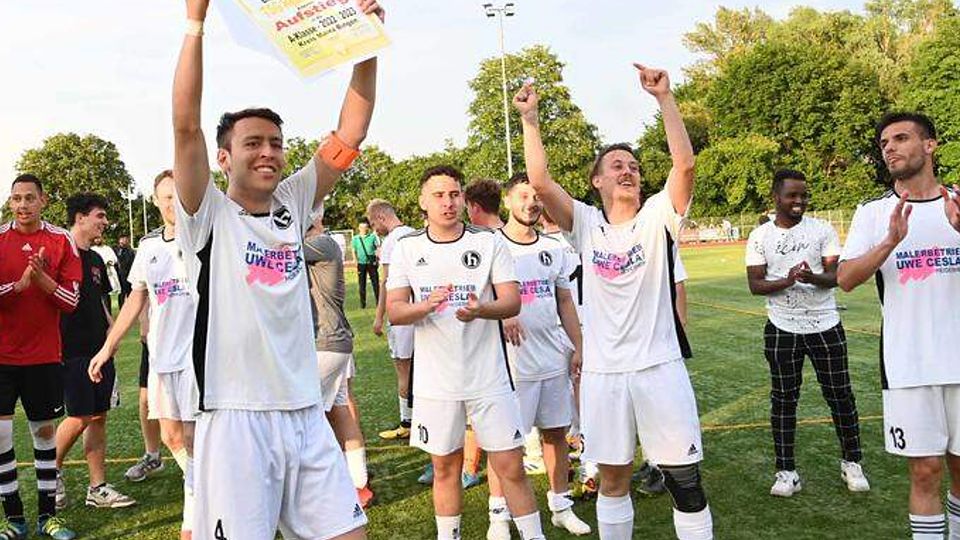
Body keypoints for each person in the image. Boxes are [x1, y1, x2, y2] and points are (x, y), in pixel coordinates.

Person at [170, 0, 381, 536]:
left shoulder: (294, 200)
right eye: (253, 143)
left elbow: (350, 134)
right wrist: (195, 22)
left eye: (276, 144)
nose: (268, 153)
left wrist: (365, 45)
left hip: (305, 409)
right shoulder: (207, 213)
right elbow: (186, 127)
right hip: (236, 415)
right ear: (224, 158)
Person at [515, 65, 712, 540]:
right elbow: (540, 182)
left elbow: (683, 165)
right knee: (613, 479)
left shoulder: (658, 217)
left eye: (634, 166)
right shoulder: (584, 224)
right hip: (604, 375)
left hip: (659, 368)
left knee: (685, 482)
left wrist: (665, 98)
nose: (628, 171)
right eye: (617, 166)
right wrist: (530, 121)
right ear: (597, 181)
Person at [386, 165, 545, 540]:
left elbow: (511, 302)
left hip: (489, 378)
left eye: (455, 194)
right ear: (423, 202)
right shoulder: (408, 247)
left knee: (511, 467)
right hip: (435, 385)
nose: (448, 202)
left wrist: (481, 309)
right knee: (445, 468)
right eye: (439, 195)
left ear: (462, 198)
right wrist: (424, 306)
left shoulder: (489, 242)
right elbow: (395, 310)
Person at [838, 112, 960, 540]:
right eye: (884, 142)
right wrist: (890, 241)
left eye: (902, 138)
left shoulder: (959, 202)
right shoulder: (873, 213)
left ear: (930, 146)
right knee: (925, 472)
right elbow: (846, 279)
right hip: (908, 364)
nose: (889, 147)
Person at [88, 170, 198, 538]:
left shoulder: (204, 237)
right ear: (155, 201)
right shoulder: (149, 248)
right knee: (170, 438)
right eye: (166, 197)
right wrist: (108, 347)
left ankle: (198, 513)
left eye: (178, 195)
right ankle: (211, 489)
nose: (173, 203)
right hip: (162, 358)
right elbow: (136, 299)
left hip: (198, 359)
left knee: (197, 439)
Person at [746, 169, 868, 498]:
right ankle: (786, 472)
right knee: (784, 400)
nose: (799, 201)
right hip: (782, 327)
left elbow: (837, 276)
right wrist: (786, 280)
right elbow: (755, 284)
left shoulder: (822, 229)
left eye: (803, 195)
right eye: (792, 195)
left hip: (825, 324)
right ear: (776, 197)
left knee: (840, 395)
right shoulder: (760, 236)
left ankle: (852, 462)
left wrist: (811, 277)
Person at [485, 172, 591, 538]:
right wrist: (505, 311)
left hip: (551, 357)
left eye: (536, 197)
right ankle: (498, 515)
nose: (531, 203)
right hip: (511, 363)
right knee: (505, 442)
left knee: (556, 434)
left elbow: (564, 300)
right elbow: (480, 299)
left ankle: (560, 505)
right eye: (523, 196)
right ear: (508, 201)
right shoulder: (491, 246)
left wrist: (578, 347)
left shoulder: (554, 247)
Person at [0, 174, 80, 540]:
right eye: (16, 198)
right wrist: (16, 288)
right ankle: (13, 518)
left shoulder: (61, 240)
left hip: (44, 357)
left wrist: (44, 281)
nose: (22, 205)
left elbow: (72, 301)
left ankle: (48, 517)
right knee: (1, 438)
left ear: (43, 200)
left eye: (29, 198)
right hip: (2, 358)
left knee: (44, 437)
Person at [55, 193, 136, 512]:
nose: (104, 221)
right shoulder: (61, 252)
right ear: (80, 218)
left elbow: (101, 301)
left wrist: (111, 336)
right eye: (99, 216)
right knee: (78, 417)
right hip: (70, 351)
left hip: (99, 351)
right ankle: (51, 473)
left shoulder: (96, 259)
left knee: (98, 416)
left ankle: (97, 487)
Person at [304, 210, 373, 508]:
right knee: (340, 411)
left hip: (324, 343)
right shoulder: (320, 242)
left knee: (307, 417)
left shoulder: (322, 243)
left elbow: (275, 246)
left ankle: (321, 486)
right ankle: (359, 484)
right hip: (335, 342)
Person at [366, 199, 415, 441]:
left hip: (401, 314)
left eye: (374, 223)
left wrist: (378, 317)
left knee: (403, 369)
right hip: (419, 312)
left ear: (382, 217)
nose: (375, 228)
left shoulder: (391, 242)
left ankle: (407, 422)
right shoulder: (416, 233)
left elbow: (386, 282)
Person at [123, 304, 165, 484]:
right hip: (156, 336)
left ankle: (194, 460)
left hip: (189, 331)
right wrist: (144, 320)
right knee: (147, 399)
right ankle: (152, 455)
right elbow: (139, 288)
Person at [352, 221, 380, 309]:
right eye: (362, 228)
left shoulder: (372, 237)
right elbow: (353, 250)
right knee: (361, 284)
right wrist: (355, 260)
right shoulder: (355, 239)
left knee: (375, 283)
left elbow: (377, 248)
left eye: (365, 228)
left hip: (371, 263)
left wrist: (377, 259)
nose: (364, 229)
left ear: (367, 228)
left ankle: (378, 302)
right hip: (361, 263)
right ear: (359, 229)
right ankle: (362, 304)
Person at [90, 237, 120, 311]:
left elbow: (114, 259)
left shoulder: (108, 249)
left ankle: (108, 311)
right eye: (96, 239)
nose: (97, 240)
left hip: (108, 272)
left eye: (99, 239)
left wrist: (108, 262)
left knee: (106, 293)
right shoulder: (92, 249)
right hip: (96, 274)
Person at [114, 236, 135, 309]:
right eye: (122, 239)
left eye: (125, 240)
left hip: (129, 274)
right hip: (120, 275)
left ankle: (131, 308)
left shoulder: (130, 251)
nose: (124, 241)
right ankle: (122, 308)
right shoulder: (116, 250)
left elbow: (133, 263)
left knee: (130, 292)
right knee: (121, 292)